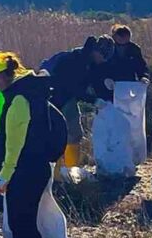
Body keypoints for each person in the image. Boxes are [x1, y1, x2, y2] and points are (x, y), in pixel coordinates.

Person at [0, 53, 68, 238]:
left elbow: (15, 144)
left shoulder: (19, 99)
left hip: (25, 171)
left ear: (1, 76)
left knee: (22, 225)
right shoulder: (34, 92)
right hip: (39, 167)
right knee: (28, 222)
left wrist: (4, 177)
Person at [42, 36, 115, 167]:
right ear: (97, 51)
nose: (103, 61)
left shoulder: (91, 63)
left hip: (69, 99)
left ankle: (71, 169)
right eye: (103, 57)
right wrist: (93, 100)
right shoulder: (72, 60)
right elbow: (71, 87)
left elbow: (93, 83)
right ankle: (56, 173)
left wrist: (105, 96)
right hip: (54, 99)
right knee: (57, 136)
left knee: (75, 135)